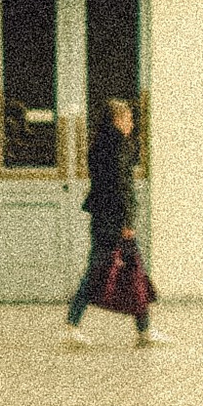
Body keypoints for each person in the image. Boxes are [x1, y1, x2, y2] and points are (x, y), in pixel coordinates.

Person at [63, 98, 160, 346]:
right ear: (117, 120)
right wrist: (126, 221)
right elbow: (121, 186)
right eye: (128, 118)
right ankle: (71, 326)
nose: (132, 123)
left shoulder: (101, 144)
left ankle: (144, 330)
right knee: (97, 272)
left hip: (105, 217)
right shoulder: (116, 146)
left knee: (133, 272)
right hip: (114, 221)